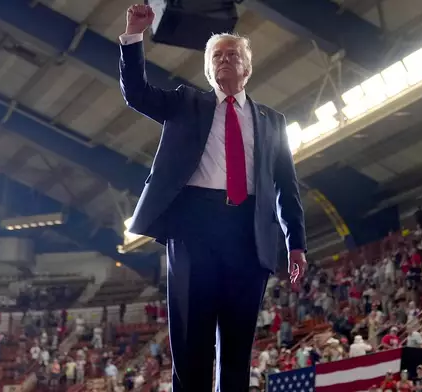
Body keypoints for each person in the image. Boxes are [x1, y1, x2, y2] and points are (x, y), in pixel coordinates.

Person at [119, 4, 307, 392]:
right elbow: (136, 93)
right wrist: (134, 35)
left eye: (233, 54)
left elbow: (286, 187)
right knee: (192, 345)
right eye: (217, 56)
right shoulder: (185, 103)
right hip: (194, 230)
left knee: (237, 349)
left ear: (247, 68)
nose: (226, 60)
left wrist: (297, 244)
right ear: (208, 70)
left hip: (249, 233)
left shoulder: (273, 121)